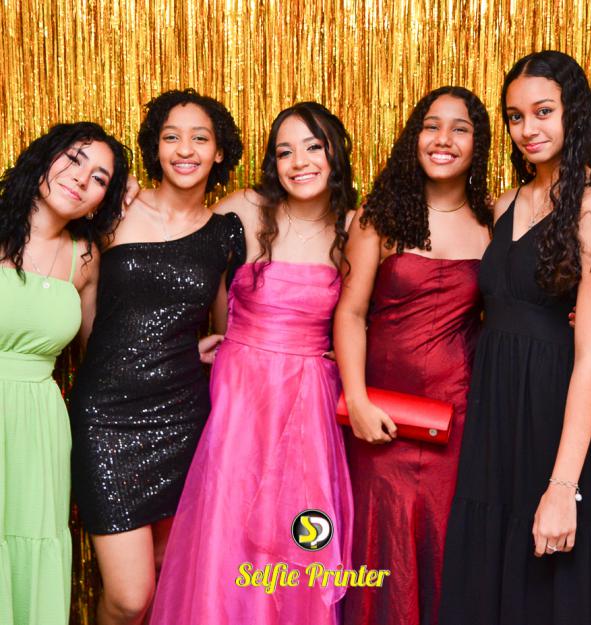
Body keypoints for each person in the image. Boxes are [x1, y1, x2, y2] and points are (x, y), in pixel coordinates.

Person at [149, 101, 356, 625]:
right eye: (285, 151)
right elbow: (178, 241)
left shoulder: (356, 227)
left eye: (313, 147)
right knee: (229, 524)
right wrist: (133, 197)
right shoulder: (245, 209)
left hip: (307, 402)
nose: (299, 162)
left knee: (293, 530)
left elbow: (375, 309)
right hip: (240, 396)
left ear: (336, 153)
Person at [439, 51, 591, 625]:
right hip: (495, 415)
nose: (527, 129)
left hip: (556, 418)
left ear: (574, 114)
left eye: (543, 112)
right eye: (515, 116)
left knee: (551, 587)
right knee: (490, 579)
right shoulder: (504, 204)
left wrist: (563, 486)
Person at [69, 89, 244, 625]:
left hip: (182, 418)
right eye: (172, 137)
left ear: (219, 151)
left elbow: (227, 326)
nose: (185, 150)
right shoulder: (113, 210)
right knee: (129, 597)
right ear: (155, 147)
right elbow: (87, 312)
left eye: (200, 138)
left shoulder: (224, 233)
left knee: (169, 580)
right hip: (107, 418)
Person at [333, 87, 492, 625]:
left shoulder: (493, 224)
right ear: (413, 137)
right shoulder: (379, 217)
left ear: (478, 144)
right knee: (382, 555)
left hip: (458, 420)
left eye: (460, 128)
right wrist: (356, 401)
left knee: (445, 549)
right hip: (381, 416)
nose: (443, 139)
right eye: (431, 125)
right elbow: (350, 312)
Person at [0, 122, 130, 625]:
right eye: (74, 159)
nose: (81, 178)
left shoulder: (85, 259)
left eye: (100, 178)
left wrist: (188, 348)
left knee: (30, 543)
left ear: (101, 202)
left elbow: (101, 355)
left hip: (39, 426)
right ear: (43, 159)